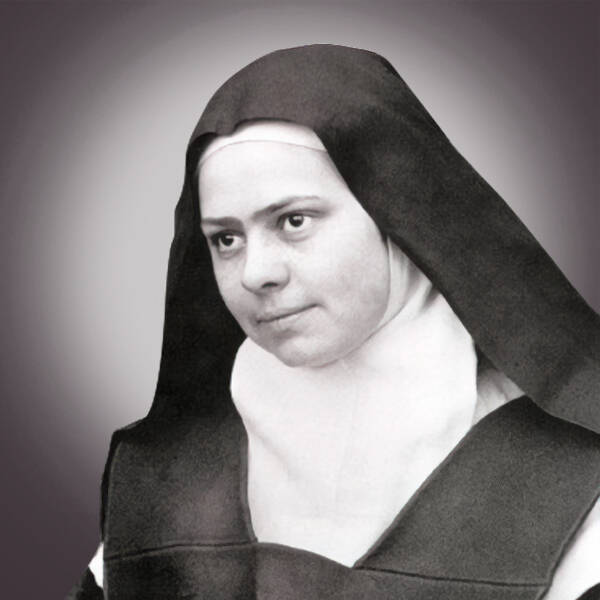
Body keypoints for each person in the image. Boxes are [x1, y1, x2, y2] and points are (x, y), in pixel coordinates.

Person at [67, 45, 600, 600]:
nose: (255, 272)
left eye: (294, 220)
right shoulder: (162, 487)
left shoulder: (576, 489)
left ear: (397, 213)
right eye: (225, 239)